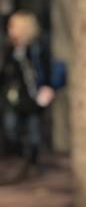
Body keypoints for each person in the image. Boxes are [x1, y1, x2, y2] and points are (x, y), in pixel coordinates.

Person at [1, 11, 54, 182]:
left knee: (34, 131)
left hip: (33, 96)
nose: (9, 30)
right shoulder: (8, 48)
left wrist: (48, 87)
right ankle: (20, 159)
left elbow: (46, 68)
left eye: (12, 26)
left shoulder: (36, 48)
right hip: (13, 96)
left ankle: (32, 164)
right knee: (11, 128)